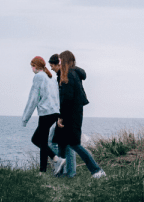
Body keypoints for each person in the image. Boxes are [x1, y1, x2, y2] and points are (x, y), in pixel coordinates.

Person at [53, 50, 106, 178]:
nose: (58, 62)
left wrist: (61, 117)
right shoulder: (73, 74)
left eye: (60, 60)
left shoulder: (69, 75)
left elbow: (66, 99)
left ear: (64, 61)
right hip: (73, 114)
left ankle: (97, 170)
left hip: (70, 116)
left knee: (74, 144)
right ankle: (60, 174)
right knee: (62, 143)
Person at [22, 56, 66, 175]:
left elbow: (33, 99)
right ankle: (43, 170)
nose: (32, 69)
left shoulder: (38, 77)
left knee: (36, 139)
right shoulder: (50, 77)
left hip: (46, 113)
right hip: (54, 112)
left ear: (35, 66)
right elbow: (57, 96)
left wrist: (25, 119)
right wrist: (58, 113)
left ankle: (56, 160)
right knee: (42, 140)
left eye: (32, 66)